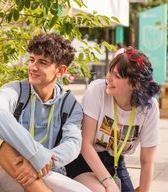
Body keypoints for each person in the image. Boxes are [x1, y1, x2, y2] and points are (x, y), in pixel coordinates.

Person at [0, 33, 91, 192]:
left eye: (42, 62)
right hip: (7, 176)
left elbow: (73, 144)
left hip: (43, 173)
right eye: (32, 60)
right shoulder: (15, 90)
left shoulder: (69, 104)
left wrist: (44, 160)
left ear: (60, 71)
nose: (33, 67)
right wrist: (35, 155)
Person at [67, 46, 160, 192]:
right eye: (110, 71)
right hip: (84, 161)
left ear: (135, 84)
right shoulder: (97, 90)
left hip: (116, 164)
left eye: (117, 76)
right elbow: (86, 144)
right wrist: (109, 183)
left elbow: (147, 161)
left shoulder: (149, 107)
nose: (108, 78)